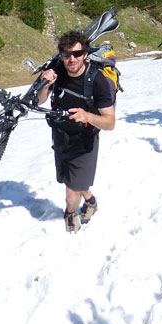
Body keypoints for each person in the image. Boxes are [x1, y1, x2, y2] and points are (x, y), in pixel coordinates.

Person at [37, 30, 116, 233]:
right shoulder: (58, 70)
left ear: (85, 55)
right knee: (69, 178)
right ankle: (90, 201)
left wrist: (87, 116)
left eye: (77, 54)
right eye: (66, 54)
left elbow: (110, 122)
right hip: (61, 137)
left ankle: (70, 214)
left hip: (84, 142)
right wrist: (45, 85)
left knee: (71, 192)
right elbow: (40, 101)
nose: (71, 59)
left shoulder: (98, 82)